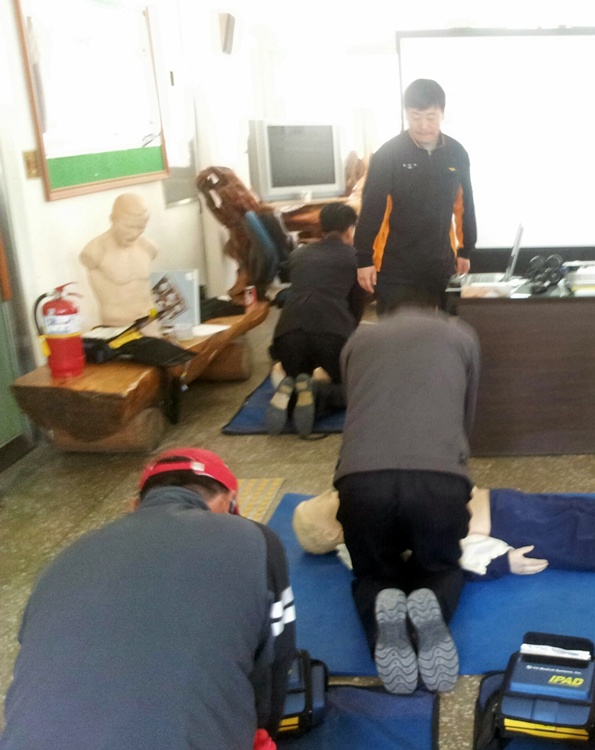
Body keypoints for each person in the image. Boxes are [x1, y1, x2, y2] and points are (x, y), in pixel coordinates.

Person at [0, 448, 296, 750]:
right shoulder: (255, 539)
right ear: (230, 501)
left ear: (135, 506)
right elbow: (275, 669)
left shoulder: (66, 558)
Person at [333, 288, 479, 695]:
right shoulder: (462, 335)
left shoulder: (358, 339)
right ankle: (430, 603)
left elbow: (354, 406)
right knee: (440, 564)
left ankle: (384, 612)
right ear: (437, 302)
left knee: (373, 570)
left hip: (362, 481)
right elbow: (466, 417)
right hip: (438, 481)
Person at [293, 486, 595, 577]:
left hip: (504, 502)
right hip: (509, 526)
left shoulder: (368, 502)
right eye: (322, 500)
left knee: (592, 508)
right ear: (330, 535)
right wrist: (501, 563)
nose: (330, 492)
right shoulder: (368, 542)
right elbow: (445, 557)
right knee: (586, 537)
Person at [354, 78, 476, 314]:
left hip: (440, 264)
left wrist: (465, 250)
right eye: (415, 116)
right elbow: (372, 208)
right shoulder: (388, 154)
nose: (423, 125)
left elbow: (465, 205)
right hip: (396, 267)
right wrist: (364, 258)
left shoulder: (456, 153)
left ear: (442, 114)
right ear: (406, 114)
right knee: (399, 332)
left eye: (431, 117)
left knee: (438, 330)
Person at [267, 203, 364, 437]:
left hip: (287, 334)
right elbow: (356, 308)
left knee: (293, 374)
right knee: (358, 389)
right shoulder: (356, 258)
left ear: (321, 227)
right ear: (349, 230)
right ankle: (319, 394)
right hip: (331, 335)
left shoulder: (298, 255)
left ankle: (291, 393)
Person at [79, 192, 160, 333]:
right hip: (117, 329)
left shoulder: (148, 247)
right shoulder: (95, 252)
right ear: (112, 219)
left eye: (141, 227)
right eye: (129, 227)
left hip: (150, 324)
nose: (135, 233)